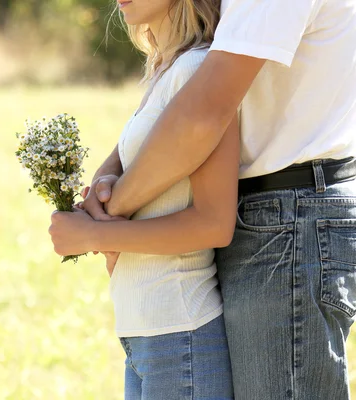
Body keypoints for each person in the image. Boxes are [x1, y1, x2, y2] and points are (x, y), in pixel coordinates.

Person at [51, 0, 356, 399]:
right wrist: (108, 180)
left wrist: (103, 225)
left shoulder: (195, 65)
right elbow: (178, 118)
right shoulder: (174, 67)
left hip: (290, 210)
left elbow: (205, 113)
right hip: (265, 216)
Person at [50, 0, 237, 398]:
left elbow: (213, 223)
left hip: (179, 332)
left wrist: (95, 237)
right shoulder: (164, 69)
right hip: (145, 335)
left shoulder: (197, 69)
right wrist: (107, 185)